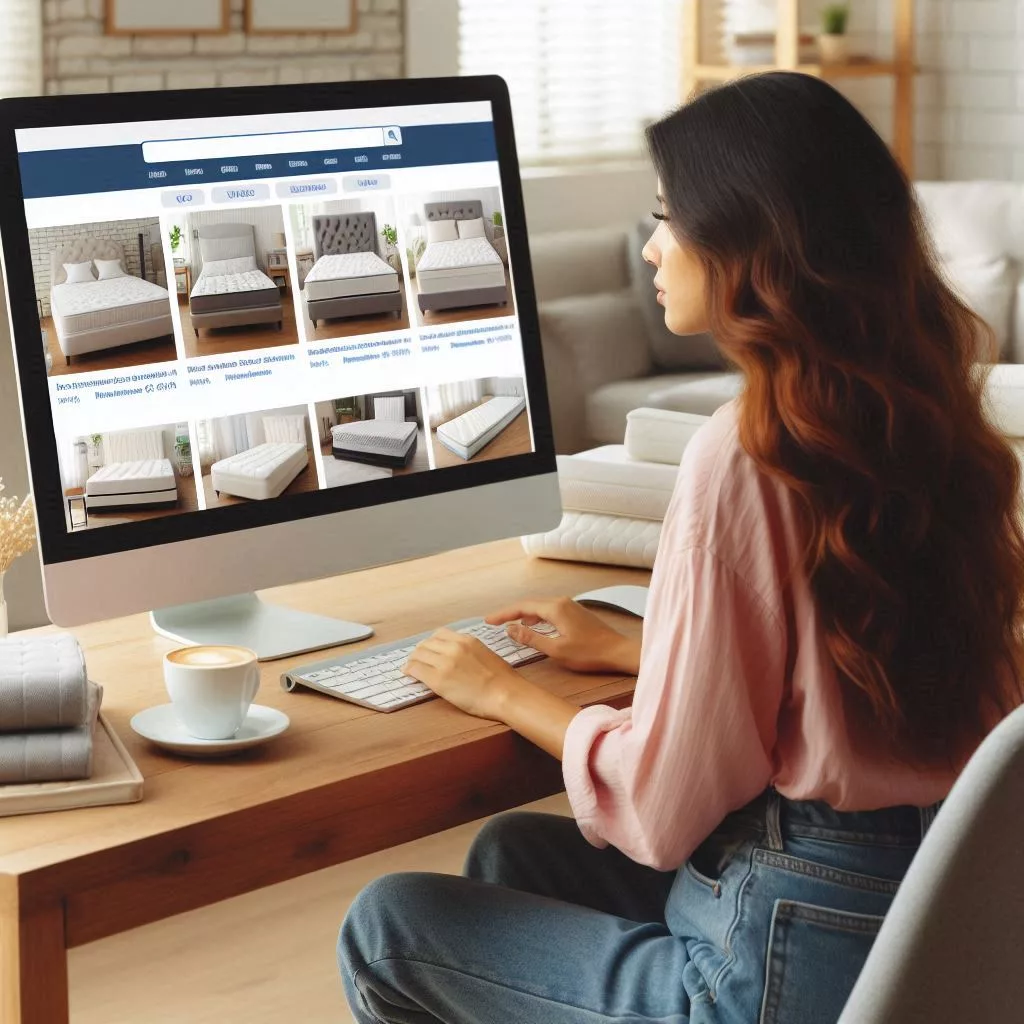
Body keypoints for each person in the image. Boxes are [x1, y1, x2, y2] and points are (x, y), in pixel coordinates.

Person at [337, 71, 1024, 1023]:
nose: (653, 247)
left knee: (388, 924)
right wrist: (645, 648)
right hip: (932, 904)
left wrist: (506, 692)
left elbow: (663, 807)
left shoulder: (747, 451)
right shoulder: (930, 412)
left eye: (668, 218)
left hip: (780, 959)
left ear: (752, 240)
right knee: (515, 856)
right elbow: (859, 656)